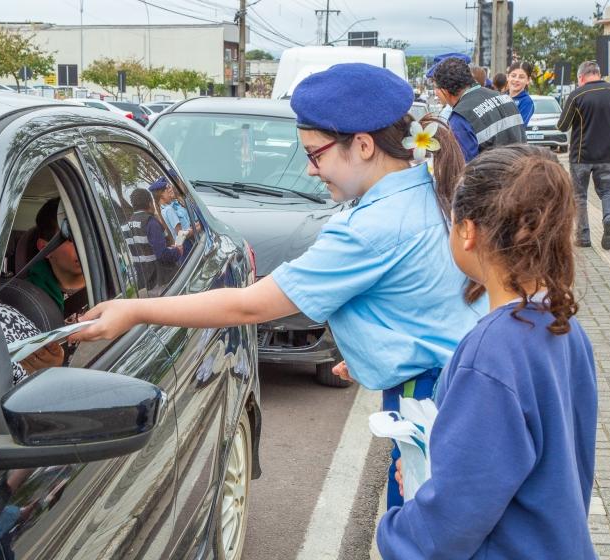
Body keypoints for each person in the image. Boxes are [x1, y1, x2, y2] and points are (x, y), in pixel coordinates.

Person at [70, 63, 483, 509]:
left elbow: (251, 307)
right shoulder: (429, 185)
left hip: (430, 402)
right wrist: (374, 351)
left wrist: (134, 311)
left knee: (421, 534)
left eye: (315, 154)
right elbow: (423, 297)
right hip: (462, 388)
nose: (310, 171)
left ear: (363, 145)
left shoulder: (372, 226)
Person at [377, 145, 596, 560]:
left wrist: (397, 529)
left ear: (468, 230)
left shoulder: (492, 349)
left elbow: (454, 514)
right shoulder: (564, 324)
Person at [558, 60, 610, 250]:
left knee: (579, 196)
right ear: (598, 73)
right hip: (609, 153)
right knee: (609, 190)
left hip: (582, 155)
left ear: (581, 77)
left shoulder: (577, 95)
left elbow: (562, 125)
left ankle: (583, 237)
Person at [432, 57, 526, 162]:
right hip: (522, 172)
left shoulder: (460, 117)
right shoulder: (505, 98)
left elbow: (465, 169)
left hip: (493, 177)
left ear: (444, 91)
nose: (435, 93)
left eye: (435, 87)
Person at [27, 197, 89, 320]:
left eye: (88, 234)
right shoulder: (29, 299)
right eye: (71, 236)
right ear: (45, 248)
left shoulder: (109, 285)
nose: (85, 244)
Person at [125, 187, 183, 290]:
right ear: (149, 203)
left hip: (145, 284)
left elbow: (146, 251)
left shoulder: (127, 226)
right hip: (162, 281)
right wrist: (177, 251)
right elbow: (162, 254)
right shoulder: (150, 222)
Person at [507, 61, 535, 125]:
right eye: (513, 76)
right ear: (508, 77)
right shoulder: (500, 97)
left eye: (521, 77)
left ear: (528, 80)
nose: (516, 79)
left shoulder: (527, 102)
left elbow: (518, 127)